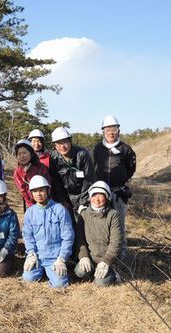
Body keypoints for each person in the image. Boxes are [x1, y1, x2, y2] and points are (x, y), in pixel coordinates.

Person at [92, 115, 136, 254]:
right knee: (102, 222)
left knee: (119, 223)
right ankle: (103, 252)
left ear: (119, 131)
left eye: (114, 129)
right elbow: (92, 168)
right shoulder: (97, 149)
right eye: (108, 129)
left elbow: (131, 168)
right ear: (103, 132)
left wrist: (120, 179)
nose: (111, 132)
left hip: (118, 192)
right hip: (101, 193)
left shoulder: (126, 149)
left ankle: (120, 253)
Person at [22, 175, 74, 288]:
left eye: (41, 190)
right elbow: (27, 236)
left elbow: (68, 237)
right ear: (31, 193)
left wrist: (62, 258)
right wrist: (31, 253)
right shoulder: (30, 213)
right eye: (35, 191)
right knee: (28, 279)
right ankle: (42, 272)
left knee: (61, 285)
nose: (39, 194)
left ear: (48, 190)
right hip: (38, 256)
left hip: (55, 257)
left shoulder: (60, 210)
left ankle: (53, 273)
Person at [74, 181, 124, 286]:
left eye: (101, 195)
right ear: (90, 197)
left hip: (108, 259)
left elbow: (116, 242)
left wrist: (106, 261)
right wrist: (83, 256)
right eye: (94, 195)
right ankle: (93, 272)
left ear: (107, 198)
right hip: (91, 258)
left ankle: (113, 273)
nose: (97, 199)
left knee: (100, 283)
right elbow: (80, 239)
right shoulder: (84, 214)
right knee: (79, 272)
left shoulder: (113, 215)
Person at [49, 127, 94, 218]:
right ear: (54, 145)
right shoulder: (53, 157)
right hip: (65, 198)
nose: (62, 146)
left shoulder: (82, 154)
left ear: (70, 141)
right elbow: (56, 182)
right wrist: (63, 201)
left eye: (65, 142)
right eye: (59, 143)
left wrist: (83, 203)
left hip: (83, 197)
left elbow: (89, 180)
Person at [12, 139, 51, 210]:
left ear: (31, 153)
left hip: (46, 202)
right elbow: (22, 191)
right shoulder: (17, 172)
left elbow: (48, 186)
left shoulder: (41, 168)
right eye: (19, 154)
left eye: (24, 153)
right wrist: (32, 206)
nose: (22, 156)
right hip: (29, 205)